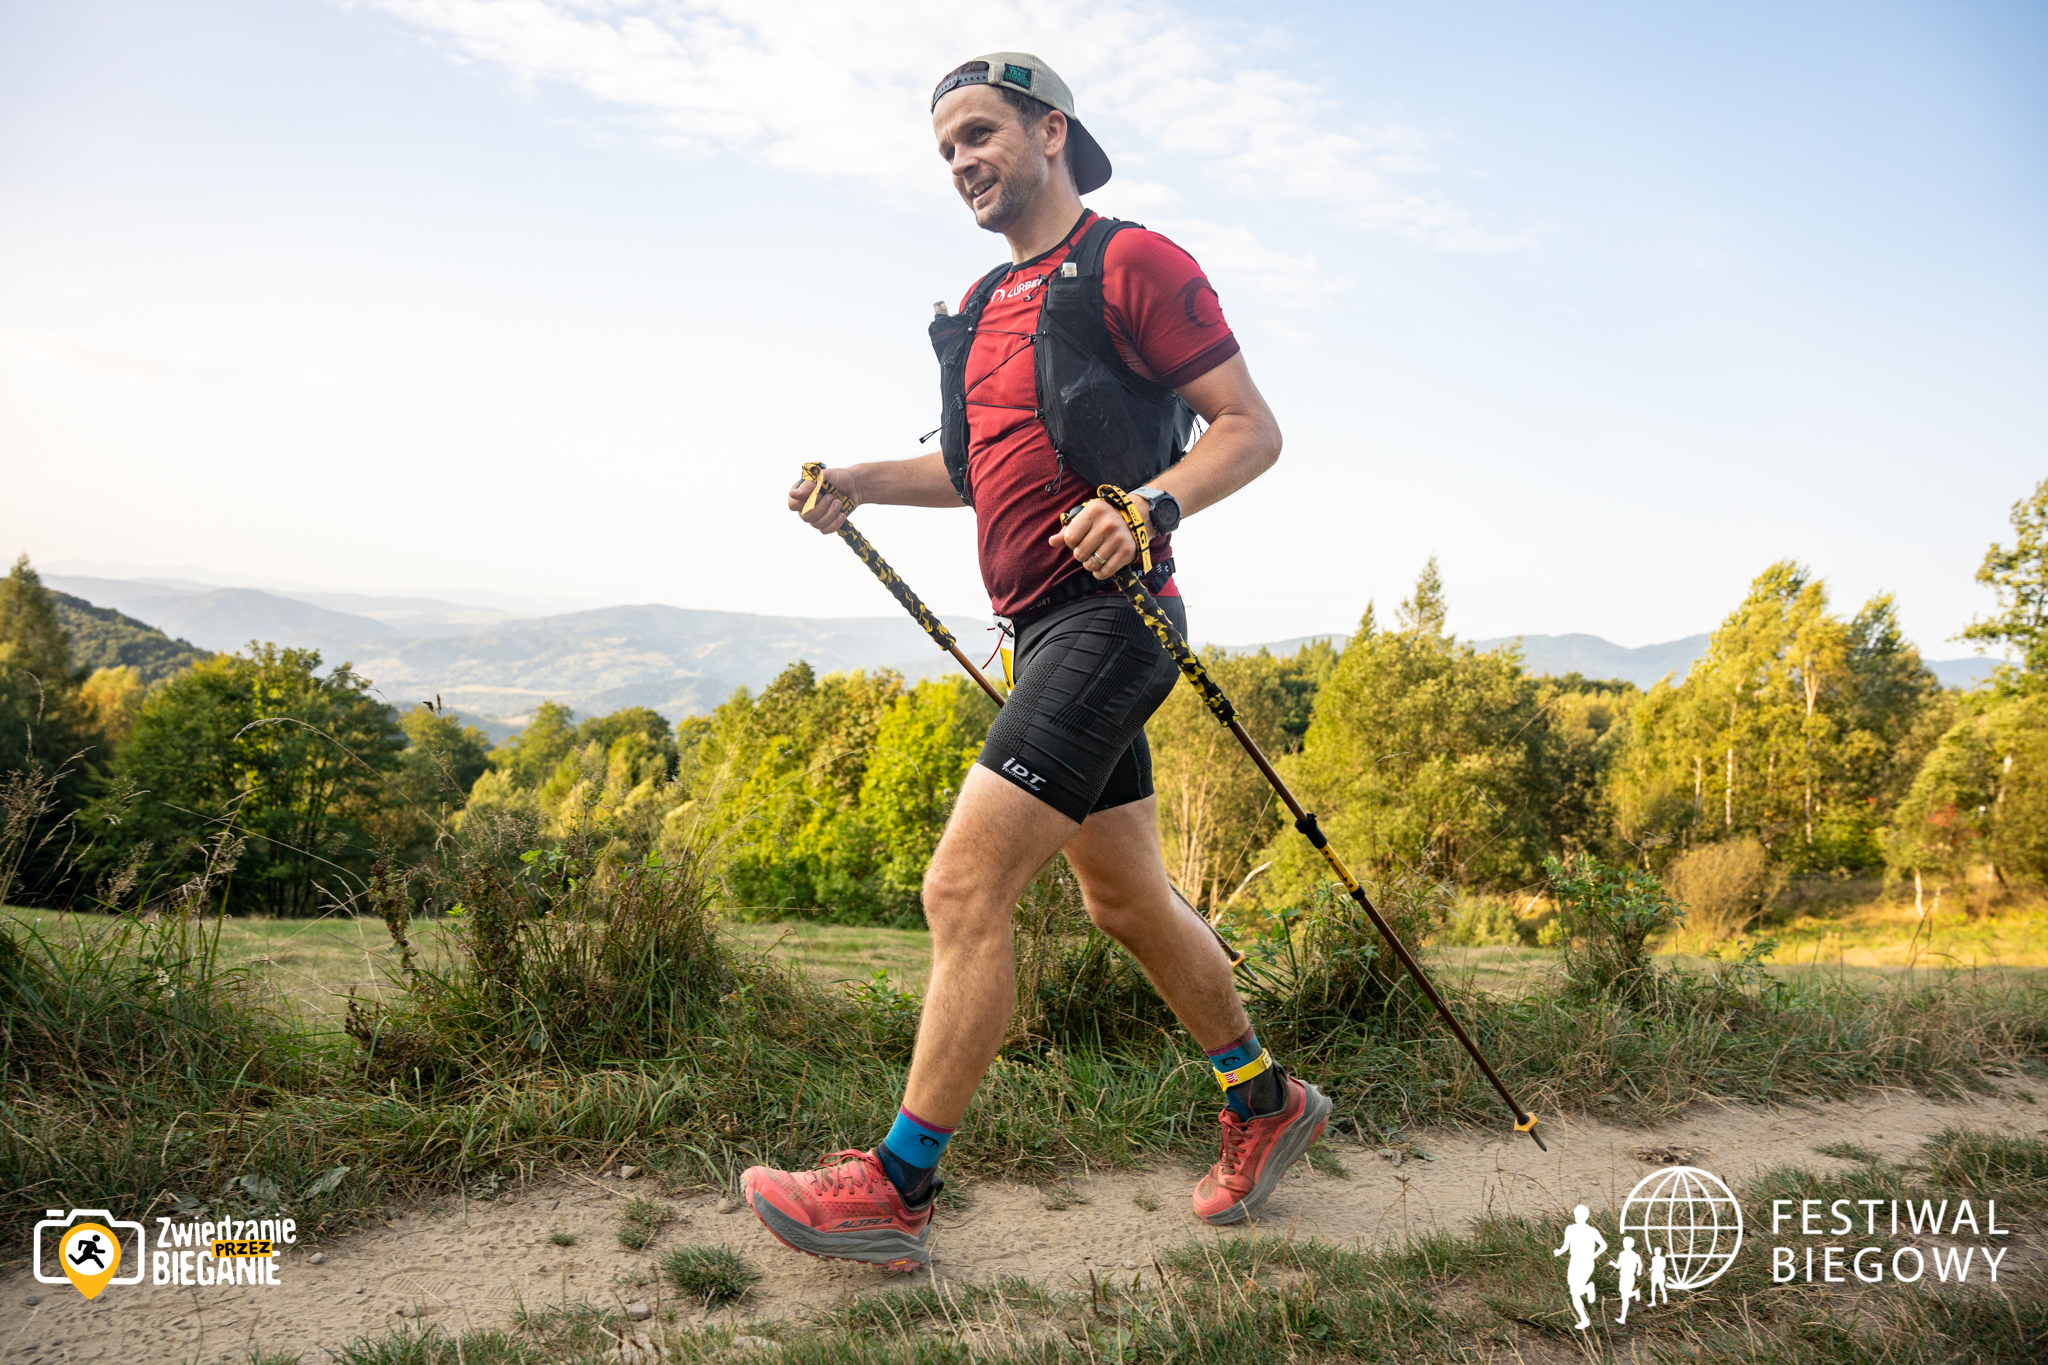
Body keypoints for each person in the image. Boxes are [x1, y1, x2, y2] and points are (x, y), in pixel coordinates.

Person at [743, 51, 1319, 1272]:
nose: (960, 161)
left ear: (1050, 131)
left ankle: (896, 1186)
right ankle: (1263, 1100)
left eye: (978, 133)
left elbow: (1249, 428)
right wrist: (855, 482)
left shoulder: (1132, 263)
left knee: (961, 890)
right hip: (1042, 634)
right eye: (944, 147)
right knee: (1124, 900)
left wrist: (1149, 506)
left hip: (1113, 621)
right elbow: (974, 470)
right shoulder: (978, 305)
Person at [1553, 1205, 1608, 1331]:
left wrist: (1593, 1256)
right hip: (1577, 1261)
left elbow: (1603, 1245)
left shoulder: (1580, 1230)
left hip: (1583, 1261)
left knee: (1575, 1292)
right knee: (1574, 1292)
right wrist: (1558, 1252)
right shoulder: (1575, 1229)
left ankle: (1588, 1292)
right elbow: (1565, 1246)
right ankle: (1584, 1318)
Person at [1610, 1235, 1643, 1324]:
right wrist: (1613, 1263)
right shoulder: (1623, 1254)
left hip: (1629, 1277)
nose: (1625, 1245)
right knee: (1623, 1294)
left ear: (1631, 1245)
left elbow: (1640, 1264)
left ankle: (1622, 1318)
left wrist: (1639, 1271)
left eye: (1626, 1243)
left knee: (1625, 1297)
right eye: (1624, 1243)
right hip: (1623, 1276)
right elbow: (1618, 1266)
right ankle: (1635, 1293)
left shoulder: (1633, 1255)